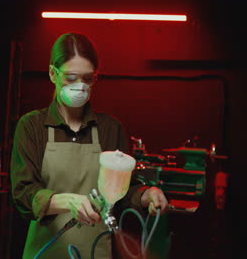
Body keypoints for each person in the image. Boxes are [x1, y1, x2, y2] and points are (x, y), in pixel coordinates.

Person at [10, 32, 168, 259]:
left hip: (96, 251)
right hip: (45, 252)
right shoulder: (32, 127)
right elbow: (23, 194)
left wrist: (146, 195)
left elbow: (122, 193)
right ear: (53, 74)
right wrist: (68, 201)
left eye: (87, 79)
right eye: (71, 77)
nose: (80, 86)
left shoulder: (109, 129)